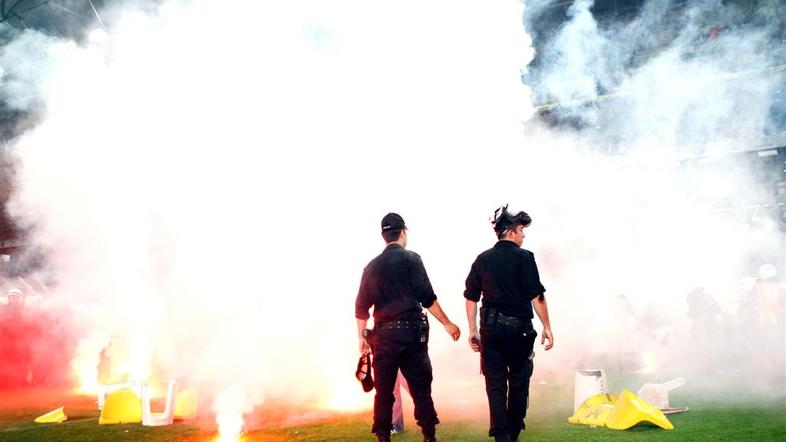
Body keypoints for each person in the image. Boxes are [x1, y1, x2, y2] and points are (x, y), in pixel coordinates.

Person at [355, 212, 461, 442]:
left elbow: (361, 308)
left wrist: (361, 338)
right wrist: (447, 323)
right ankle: (429, 437)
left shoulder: (371, 267)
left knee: (383, 393)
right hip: (412, 334)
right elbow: (427, 298)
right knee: (421, 389)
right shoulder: (412, 259)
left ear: (384, 236)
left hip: (383, 338)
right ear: (403, 232)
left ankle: (383, 438)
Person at [464, 205, 554, 442]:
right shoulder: (524, 258)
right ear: (511, 232)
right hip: (518, 332)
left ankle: (502, 438)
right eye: (522, 230)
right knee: (518, 383)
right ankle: (512, 435)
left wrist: (473, 330)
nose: (524, 235)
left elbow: (471, 297)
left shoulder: (482, 259)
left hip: (491, 331)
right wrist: (547, 327)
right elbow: (537, 296)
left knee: (495, 386)